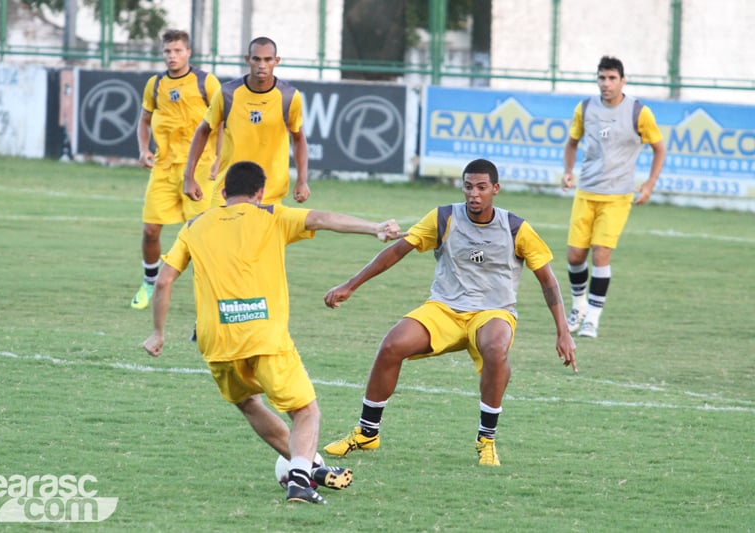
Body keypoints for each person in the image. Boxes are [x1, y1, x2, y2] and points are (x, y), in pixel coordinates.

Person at [142, 161, 403, 503]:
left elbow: (163, 280)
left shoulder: (194, 225)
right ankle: (299, 479)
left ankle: (308, 466)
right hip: (263, 334)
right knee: (306, 411)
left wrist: (157, 333)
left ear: (223, 194)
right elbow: (322, 219)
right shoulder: (272, 215)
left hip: (216, 340)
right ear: (260, 192)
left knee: (249, 403)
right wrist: (374, 228)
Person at [322, 158, 577, 466]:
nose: (474, 194)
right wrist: (351, 285)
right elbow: (395, 251)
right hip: (444, 309)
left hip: (492, 313)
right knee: (392, 345)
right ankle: (367, 432)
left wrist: (563, 332)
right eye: (468, 187)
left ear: (495, 189)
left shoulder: (515, 228)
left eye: (482, 187)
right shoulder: (443, 217)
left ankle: (486, 440)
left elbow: (548, 282)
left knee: (496, 348)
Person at [561, 55, 666, 338]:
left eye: (611, 78)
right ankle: (579, 306)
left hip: (618, 196)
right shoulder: (585, 108)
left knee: (601, 255)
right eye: (601, 78)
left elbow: (659, 148)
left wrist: (649, 184)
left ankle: (593, 318)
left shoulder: (638, 112)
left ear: (623, 81)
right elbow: (572, 143)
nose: (605, 84)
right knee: (574, 256)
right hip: (586, 193)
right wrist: (568, 171)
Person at [131, 29, 221, 310]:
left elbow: (226, 120)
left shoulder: (206, 82)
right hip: (164, 168)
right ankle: (149, 280)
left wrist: (220, 158)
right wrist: (144, 149)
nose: (172, 56)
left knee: (200, 234)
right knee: (150, 230)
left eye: (178, 51)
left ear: (189, 53)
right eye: (168, 52)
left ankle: (207, 292)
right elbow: (144, 120)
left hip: (200, 169)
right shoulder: (155, 84)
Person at [183, 36, 310, 208]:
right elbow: (203, 131)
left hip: (269, 194)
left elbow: (298, 138)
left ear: (276, 61)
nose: (262, 65)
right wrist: (189, 177)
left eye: (268, 59)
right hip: (227, 191)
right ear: (247, 59)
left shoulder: (289, 97)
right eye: (256, 59)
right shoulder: (227, 93)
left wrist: (302, 180)